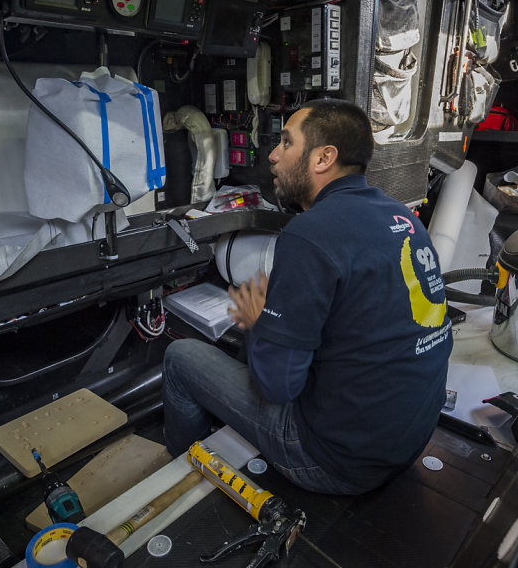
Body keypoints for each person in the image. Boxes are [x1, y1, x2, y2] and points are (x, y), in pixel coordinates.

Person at [162, 98, 452, 495]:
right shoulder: (402, 219)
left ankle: (181, 482)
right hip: (404, 445)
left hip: (331, 462)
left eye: (285, 142)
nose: (273, 155)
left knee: (180, 359)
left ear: (323, 158)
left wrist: (259, 322)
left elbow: (279, 388)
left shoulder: (310, 233)